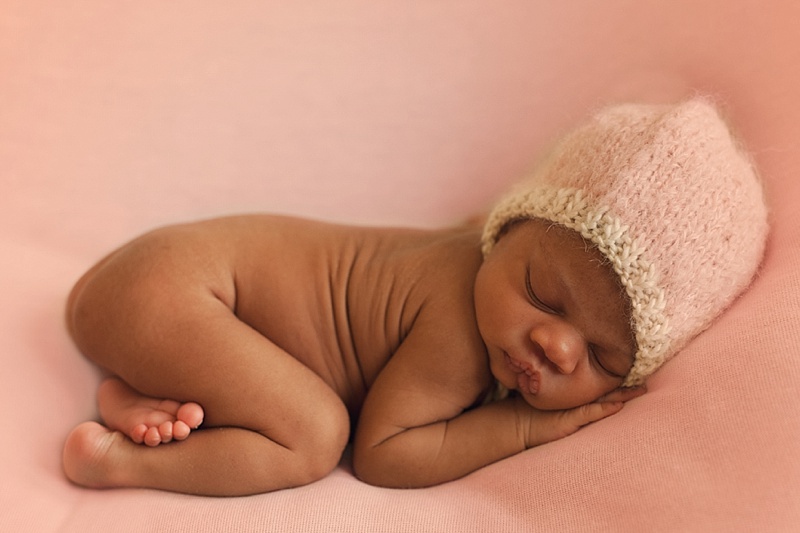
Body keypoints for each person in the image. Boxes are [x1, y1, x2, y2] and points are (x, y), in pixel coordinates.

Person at [62, 98, 768, 496]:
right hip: (173, 288)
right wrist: (522, 428)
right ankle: (116, 462)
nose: (555, 344)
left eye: (605, 354)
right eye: (544, 295)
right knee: (314, 434)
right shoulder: (460, 327)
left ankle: (140, 390)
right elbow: (384, 453)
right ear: (502, 230)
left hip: (160, 294)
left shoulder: (487, 266)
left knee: (280, 393)